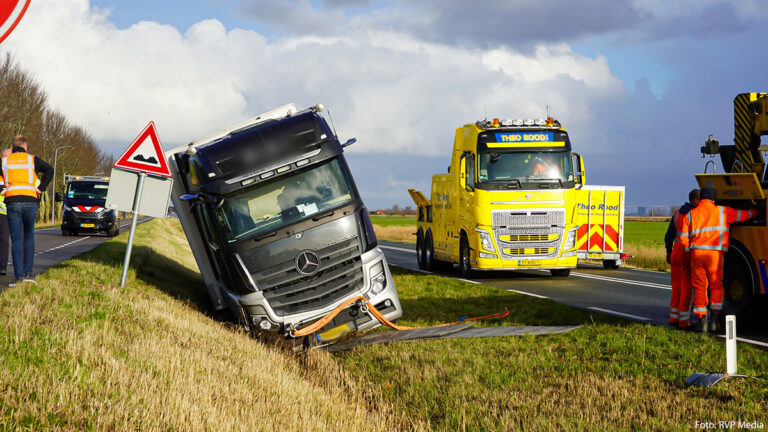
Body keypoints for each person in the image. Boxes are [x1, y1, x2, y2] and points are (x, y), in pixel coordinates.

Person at [679, 187, 757, 333]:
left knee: (700, 287)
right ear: (714, 199)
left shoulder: (691, 214)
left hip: (697, 254)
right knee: (716, 285)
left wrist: (689, 251)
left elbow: (683, 238)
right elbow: (743, 215)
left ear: (701, 198)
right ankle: (714, 322)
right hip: (715, 254)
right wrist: (757, 211)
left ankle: (702, 323)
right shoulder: (723, 211)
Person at [1, 135, 54, 286]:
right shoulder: (32, 159)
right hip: (30, 202)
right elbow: (50, 170)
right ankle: (29, 275)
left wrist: (3, 189)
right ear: (25, 146)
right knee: (29, 237)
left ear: (13, 146)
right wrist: (40, 189)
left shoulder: (4, 161)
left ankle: (18, 279)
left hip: (12, 203)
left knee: (16, 240)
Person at [664, 189, 699, 330]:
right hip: (687, 252)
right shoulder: (695, 214)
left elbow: (669, 235)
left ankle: (674, 318)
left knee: (676, 287)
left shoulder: (677, 213)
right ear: (696, 200)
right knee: (687, 288)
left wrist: (668, 251)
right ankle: (685, 321)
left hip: (676, 252)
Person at [0, 149, 11, 276]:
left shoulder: (14, 172)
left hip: (10, 210)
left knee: (4, 238)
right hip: (3, 210)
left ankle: (2, 265)